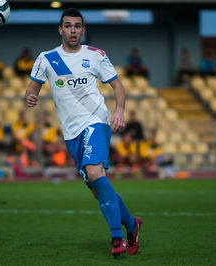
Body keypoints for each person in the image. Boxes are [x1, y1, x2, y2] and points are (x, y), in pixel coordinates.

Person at [25, 8, 142, 256]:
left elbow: (117, 85)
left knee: (94, 171)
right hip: (71, 133)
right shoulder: (47, 58)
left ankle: (117, 238)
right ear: (60, 30)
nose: (73, 30)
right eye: (68, 26)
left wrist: (119, 110)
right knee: (96, 187)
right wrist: (30, 96)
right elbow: (31, 88)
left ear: (83, 29)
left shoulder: (96, 55)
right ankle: (131, 224)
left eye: (77, 26)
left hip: (96, 121)